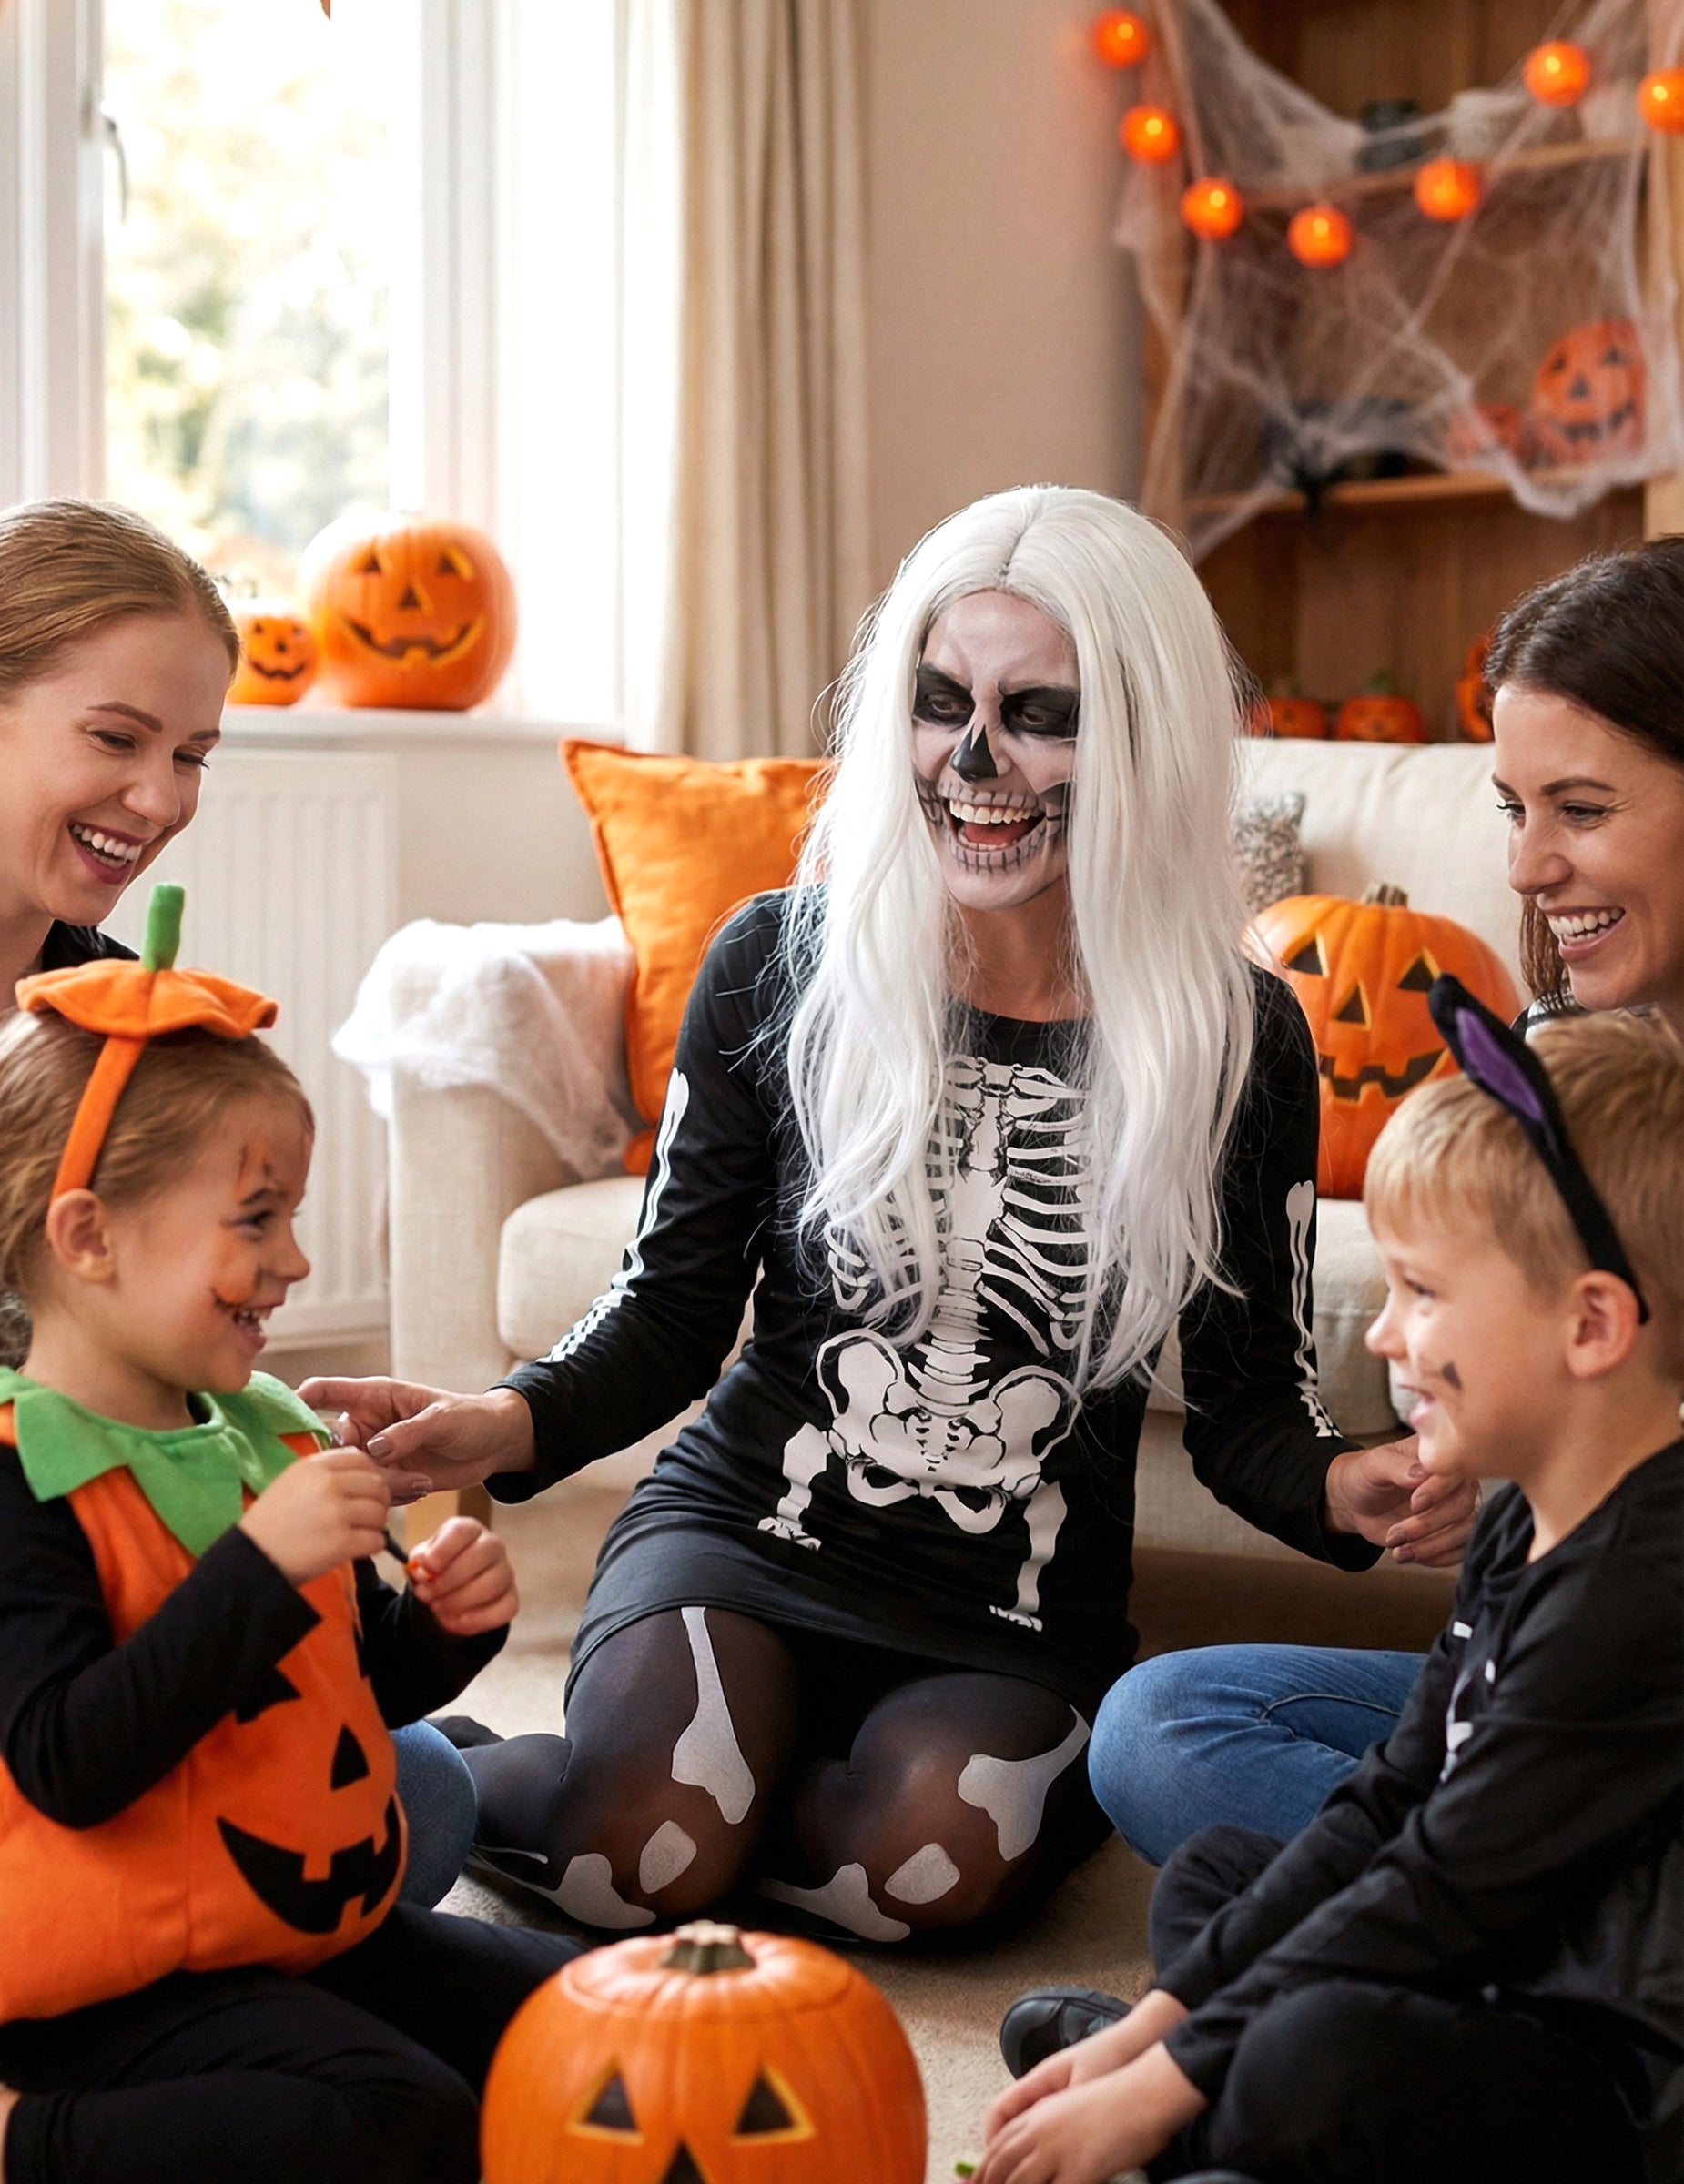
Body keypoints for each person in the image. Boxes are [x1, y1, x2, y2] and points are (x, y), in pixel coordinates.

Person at [305, 485, 1475, 1950]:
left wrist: (1343, 1490)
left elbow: (1247, 1412)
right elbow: (672, 1309)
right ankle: (511, 1783)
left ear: (1145, 739)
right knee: (637, 1864)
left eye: (1038, 714)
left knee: (922, 1872)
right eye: (937, 705)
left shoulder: (1234, 1037)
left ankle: (717, 1796)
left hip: (1013, 1600)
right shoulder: (778, 964)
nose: (971, 760)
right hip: (748, 1528)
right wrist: (510, 1419)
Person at [1069, 534, 1684, 1901]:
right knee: (1162, 1730)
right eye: (1511, 809)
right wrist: (1504, 1465)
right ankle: (1513, 1933)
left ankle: (1429, 1961)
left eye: (1578, 809)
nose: (1526, 869)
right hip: (1561, 1691)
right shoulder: (1547, 1057)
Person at [980, 1000, 1682, 2184]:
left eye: (1421, 1294)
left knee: (1312, 2050)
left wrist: (1169, 2072)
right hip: (1503, 1956)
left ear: (1589, 1325)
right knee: (1216, 1872)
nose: (1385, 1337)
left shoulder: (1641, 1590)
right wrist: (1165, 2031)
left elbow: (1442, 1880)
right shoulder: (1521, 1499)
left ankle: (1218, 2115)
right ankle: (1222, 2107)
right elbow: (1390, 1793)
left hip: (1612, 2057)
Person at [0, 889, 583, 2184]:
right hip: (112, 1988)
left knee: (597, 2027)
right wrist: (259, 1566)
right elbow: (67, 1765)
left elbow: (346, 1695)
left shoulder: (255, 1430)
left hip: (287, 1918)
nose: (297, 1262)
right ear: (88, 1237)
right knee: (405, 2124)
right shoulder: (22, 1479)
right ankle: (20, 2141)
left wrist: (438, 1631)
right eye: (256, 1220)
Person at [0, 498, 476, 1906]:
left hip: (76, 1588)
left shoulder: (91, 1001)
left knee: (408, 1775)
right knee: (418, 1795)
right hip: (31, 1640)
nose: (161, 799)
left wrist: (220, 1416)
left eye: (192, 752)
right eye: (115, 738)